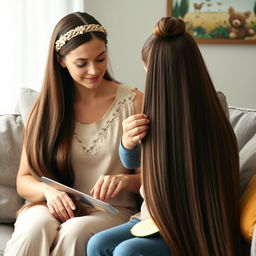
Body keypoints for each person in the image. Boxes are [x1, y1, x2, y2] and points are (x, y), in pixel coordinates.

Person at [87, 16, 242, 256]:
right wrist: (127, 143)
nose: (148, 80)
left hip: (188, 228)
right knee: (97, 244)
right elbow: (134, 164)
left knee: (127, 252)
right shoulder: (152, 111)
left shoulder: (211, 113)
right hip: (150, 221)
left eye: (149, 72)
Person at [4, 11, 143, 256]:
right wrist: (49, 192)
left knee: (75, 231)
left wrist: (123, 180)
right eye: (82, 63)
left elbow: (151, 179)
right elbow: (23, 180)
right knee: (34, 228)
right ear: (61, 60)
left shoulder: (133, 101)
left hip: (110, 210)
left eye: (100, 59)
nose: (94, 70)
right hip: (48, 204)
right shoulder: (44, 108)